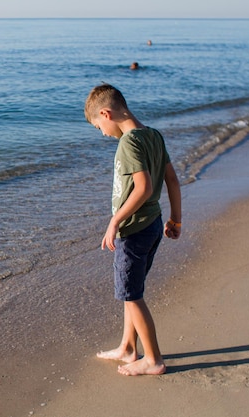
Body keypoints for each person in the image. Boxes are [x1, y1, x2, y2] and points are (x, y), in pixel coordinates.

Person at [84, 83, 182, 376]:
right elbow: (172, 181)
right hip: (152, 224)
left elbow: (144, 188)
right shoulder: (153, 135)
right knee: (132, 290)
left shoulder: (128, 143)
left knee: (131, 295)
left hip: (134, 229)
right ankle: (128, 347)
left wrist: (114, 221)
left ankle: (153, 359)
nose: (102, 133)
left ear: (106, 113)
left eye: (98, 125)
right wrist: (176, 219)